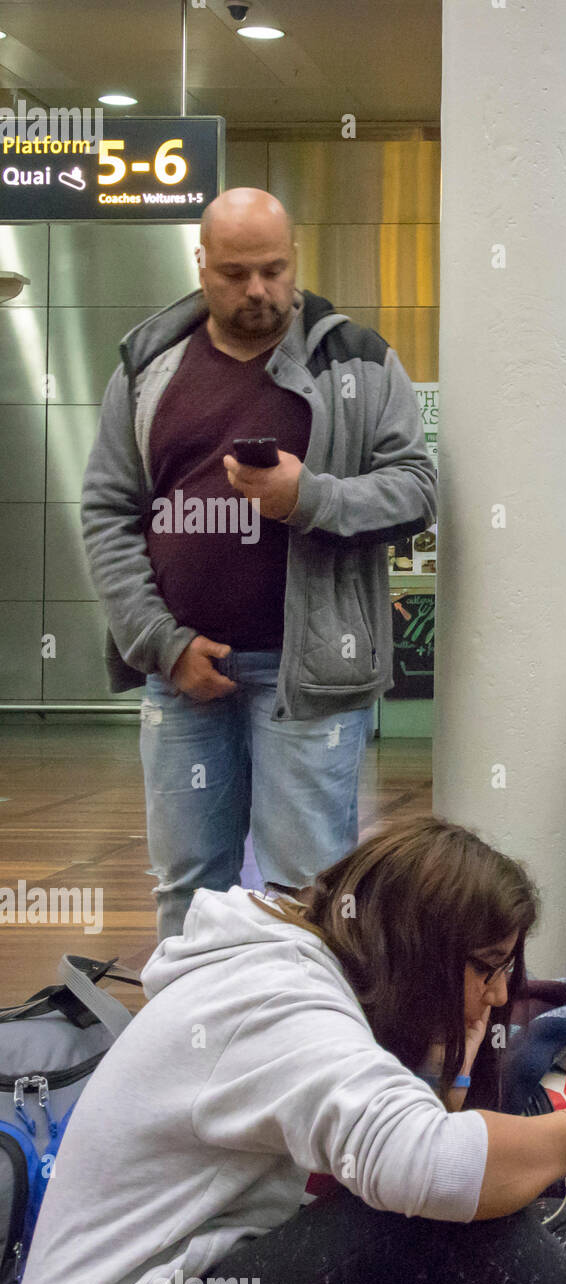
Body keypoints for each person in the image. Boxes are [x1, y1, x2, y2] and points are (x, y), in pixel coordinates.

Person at [18, 817, 566, 1284]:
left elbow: (418, 1144)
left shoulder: (305, 957)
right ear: (419, 954)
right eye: (488, 969)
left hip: (193, 1278)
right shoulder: (280, 1002)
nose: (501, 993)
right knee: (439, 1230)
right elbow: (429, 1170)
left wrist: (460, 1067)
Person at [81, 187, 436, 939]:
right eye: (236, 273)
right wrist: (161, 644)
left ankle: (300, 1051)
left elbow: (415, 491)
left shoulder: (360, 361)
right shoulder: (147, 364)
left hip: (307, 674)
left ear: (294, 260)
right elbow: (109, 513)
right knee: (189, 893)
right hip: (180, 677)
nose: (259, 291)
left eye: (274, 270)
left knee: (303, 891)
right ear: (201, 264)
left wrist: (307, 497)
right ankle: (191, 1049)